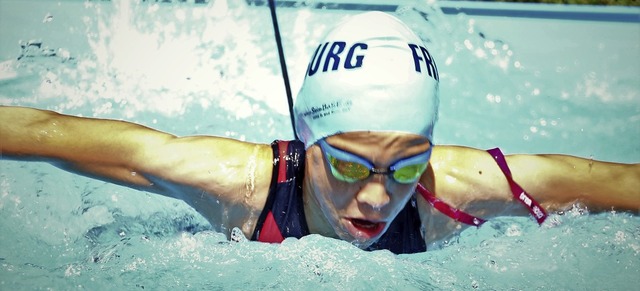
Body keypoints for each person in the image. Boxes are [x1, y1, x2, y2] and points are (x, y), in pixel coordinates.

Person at [1, 12, 638, 254]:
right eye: (352, 166)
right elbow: (53, 132)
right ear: (308, 142)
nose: (380, 199)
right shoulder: (241, 186)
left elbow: (614, 183)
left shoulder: (457, 188)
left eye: (408, 165)